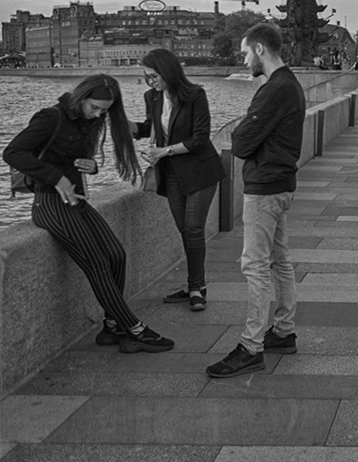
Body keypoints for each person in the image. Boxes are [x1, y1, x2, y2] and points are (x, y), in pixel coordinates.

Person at [3, 74, 174, 353]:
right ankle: (134, 328)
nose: (98, 115)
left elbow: (81, 157)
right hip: (48, 203)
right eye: (94, 107)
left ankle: (111, 327)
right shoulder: (50, 117)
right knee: (97, 263)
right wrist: (56, 178)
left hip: (77, 201)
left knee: (116, 255)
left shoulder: (92, 121)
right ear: (81, 97)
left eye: (105, 110)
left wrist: (91, 167)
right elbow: (13, 153)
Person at [207, 22, 306, 378]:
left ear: (261, 50)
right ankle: (283, 331)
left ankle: (251, 347)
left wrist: (244, 132)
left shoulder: (274, 89)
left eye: (246, 52)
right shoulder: (289, 84)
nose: (244, 58)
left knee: (255, 265)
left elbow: (243, 142)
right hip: (280, 183)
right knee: (280, 260)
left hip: (265, 188)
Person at [133, 49, 227, 312]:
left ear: (167, 71)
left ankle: (196, 288)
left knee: (194, 228)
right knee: (184, 229)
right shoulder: (151, 96)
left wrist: (164, 151)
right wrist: (131, 128)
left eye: (153, 76)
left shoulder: (195, 95)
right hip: (172, 173)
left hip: (200, 171)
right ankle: (195, 285)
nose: (150, 82)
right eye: (146, 77)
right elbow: (151, 126)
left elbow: (200, 138)